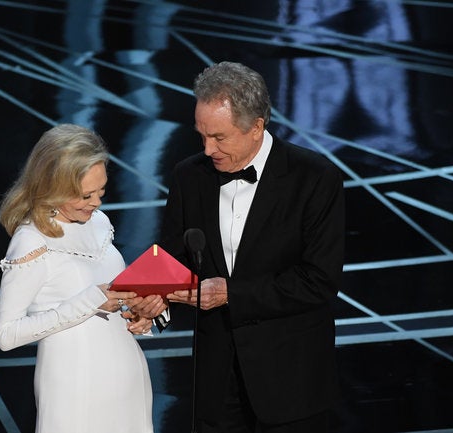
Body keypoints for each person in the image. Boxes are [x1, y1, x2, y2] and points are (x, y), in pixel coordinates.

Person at [160, 62, 345, 433]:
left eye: (219, 137)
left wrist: (230, 293)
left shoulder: (314, 178)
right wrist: (156, 298)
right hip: (215, 382)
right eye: (201, 135)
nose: (207, 148)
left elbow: (318, 280)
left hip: (290, 380)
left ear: (257, 126)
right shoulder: (189, 175)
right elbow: (173, 259)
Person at [0, 123, 165, 433]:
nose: (97, 202)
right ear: (53, 186)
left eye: (101, 191)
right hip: (77, 385)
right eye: (86, 194)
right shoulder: (32, 240)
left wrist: (141, 314)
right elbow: (7, 335)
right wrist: (91, 300)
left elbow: (116, 294)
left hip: (128, 375)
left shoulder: (98, 221)